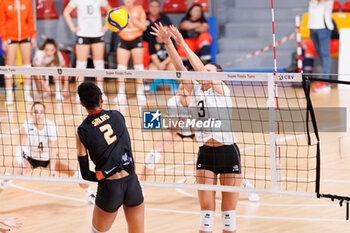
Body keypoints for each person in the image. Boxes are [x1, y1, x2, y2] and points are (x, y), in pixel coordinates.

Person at [152, 23, 241, 232]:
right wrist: (168, 43)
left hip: (228, 153)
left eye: (208, 71)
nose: (202, 73)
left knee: (228, 217)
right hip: (205, 154)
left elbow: (200, 70)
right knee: (206, 217)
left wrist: (182, 42)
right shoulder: (195, 90)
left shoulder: (222, 90)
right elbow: (181, 69)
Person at [76, 82, 144, 233]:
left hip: (110, 188)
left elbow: (85, 174)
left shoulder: (82, 131)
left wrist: (103, 174)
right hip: (132, 182)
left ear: (81, 103)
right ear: (101, 98)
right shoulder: (117, 116)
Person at [0, 102, 95, 204]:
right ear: (31, 114)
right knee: (7, 177)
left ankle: (90, 195)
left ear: (45, 113)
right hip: (29, 159)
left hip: (48, 158)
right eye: (35, 112)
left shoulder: (50, 126)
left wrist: (52, 169)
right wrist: (21, 164)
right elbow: (20, 147)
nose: (38, 115)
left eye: (41, 112)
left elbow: (53, 149)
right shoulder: (26, 126)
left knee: (78, 174)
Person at [63, 0, 111, 101]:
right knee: (81, 64)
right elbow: (66, 12)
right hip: (83, 34)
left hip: (98, 34)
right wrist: (72, 28)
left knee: (99, 64)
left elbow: (111, 11)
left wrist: (106, 26)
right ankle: (79, 93)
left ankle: (100, 92)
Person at [0, 0, 36, 104]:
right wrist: (4, 39)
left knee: (27, 65)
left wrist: (32, 37)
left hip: (25, 36)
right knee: (9, 66)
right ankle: (9, 95)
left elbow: (30, 19)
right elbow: (2, 21)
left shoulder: (27, 2)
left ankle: (27, 94)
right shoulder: (4, 2)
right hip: (11, 37)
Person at [113, 0, 147, 105]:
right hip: (123, 39)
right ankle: (121, 93)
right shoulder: (120, 10)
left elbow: (144, 27)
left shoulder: (139, 9)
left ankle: (140, 92)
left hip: (136, 38)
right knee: (121, 68)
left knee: (139, 67)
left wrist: (132, 20)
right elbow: (114, 26)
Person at [308, 0, 334, 92]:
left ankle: (325, 81)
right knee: (320, 54)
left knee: (325, 54)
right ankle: (327, 78)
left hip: (323, 27)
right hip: (312, 27)